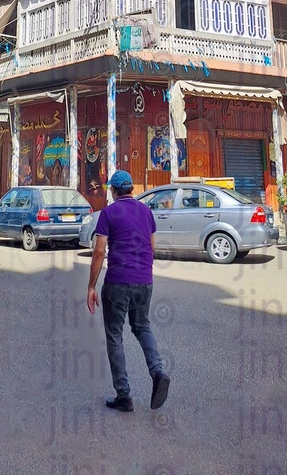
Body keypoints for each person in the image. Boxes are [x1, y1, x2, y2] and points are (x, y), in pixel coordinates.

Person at [86, 169, 170, 413]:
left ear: (113, 191)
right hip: (144, 281)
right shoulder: (146, 211)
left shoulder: (108, 213)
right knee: (142, 326)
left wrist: (91, 286)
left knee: (114, 336)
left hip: (118, 282)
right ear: (131, 189)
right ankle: (158, 371)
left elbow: (99, 252)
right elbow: (151, 248)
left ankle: (124, 395)